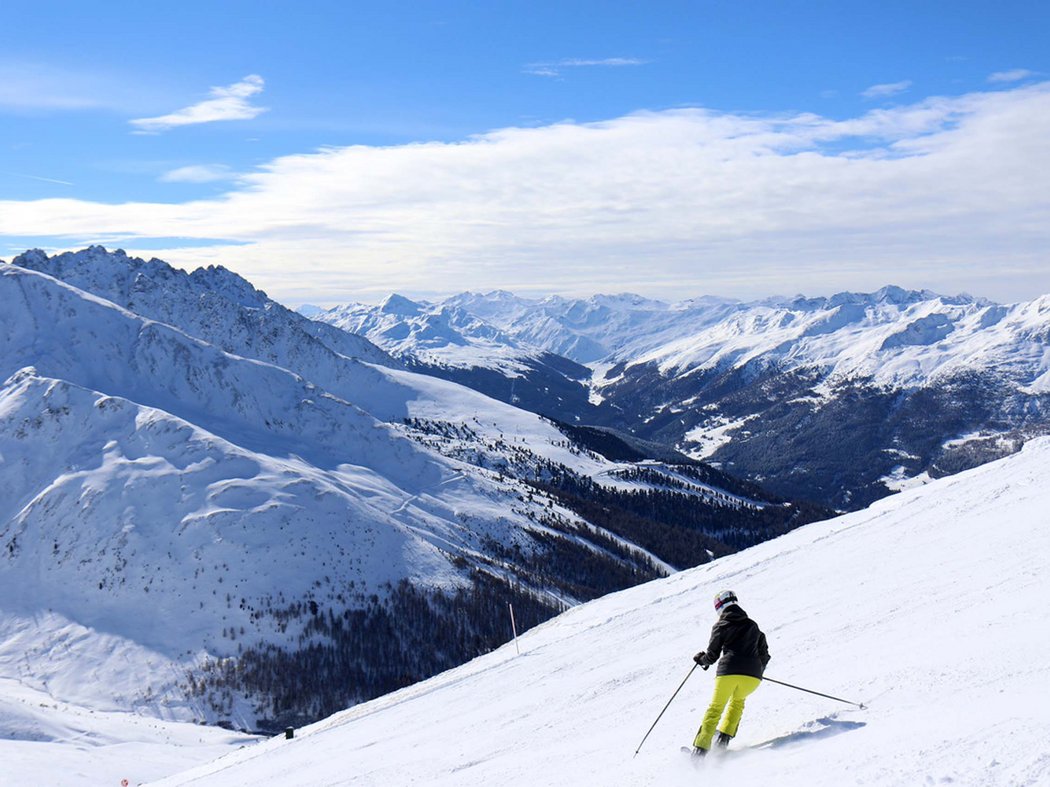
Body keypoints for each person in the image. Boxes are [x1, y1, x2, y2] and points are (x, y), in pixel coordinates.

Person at [690, 589, 770, 756]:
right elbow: (765, 654)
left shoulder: (721, 625)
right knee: (737, 703)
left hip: (728, 672)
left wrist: (700, 659)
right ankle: (722, 742)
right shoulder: (753, 625)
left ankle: (699, 752)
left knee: (716, 709)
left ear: (719, 607)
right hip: (753, 678)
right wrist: (756, 669)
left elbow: (712, 656)